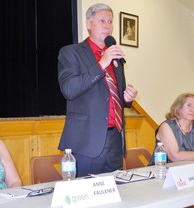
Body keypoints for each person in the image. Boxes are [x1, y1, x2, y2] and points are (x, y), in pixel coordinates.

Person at [57, 3, 138, 177]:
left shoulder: (113, 57)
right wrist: (102, 63)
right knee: (85, 196)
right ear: (88, 23)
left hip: (115, 140)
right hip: (86, 141)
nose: (108, 25)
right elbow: (69, 89)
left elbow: (114, 98)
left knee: (115, 195)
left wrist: (127, 98)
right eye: (102, 20)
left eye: (110, 21)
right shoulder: (71, 53)